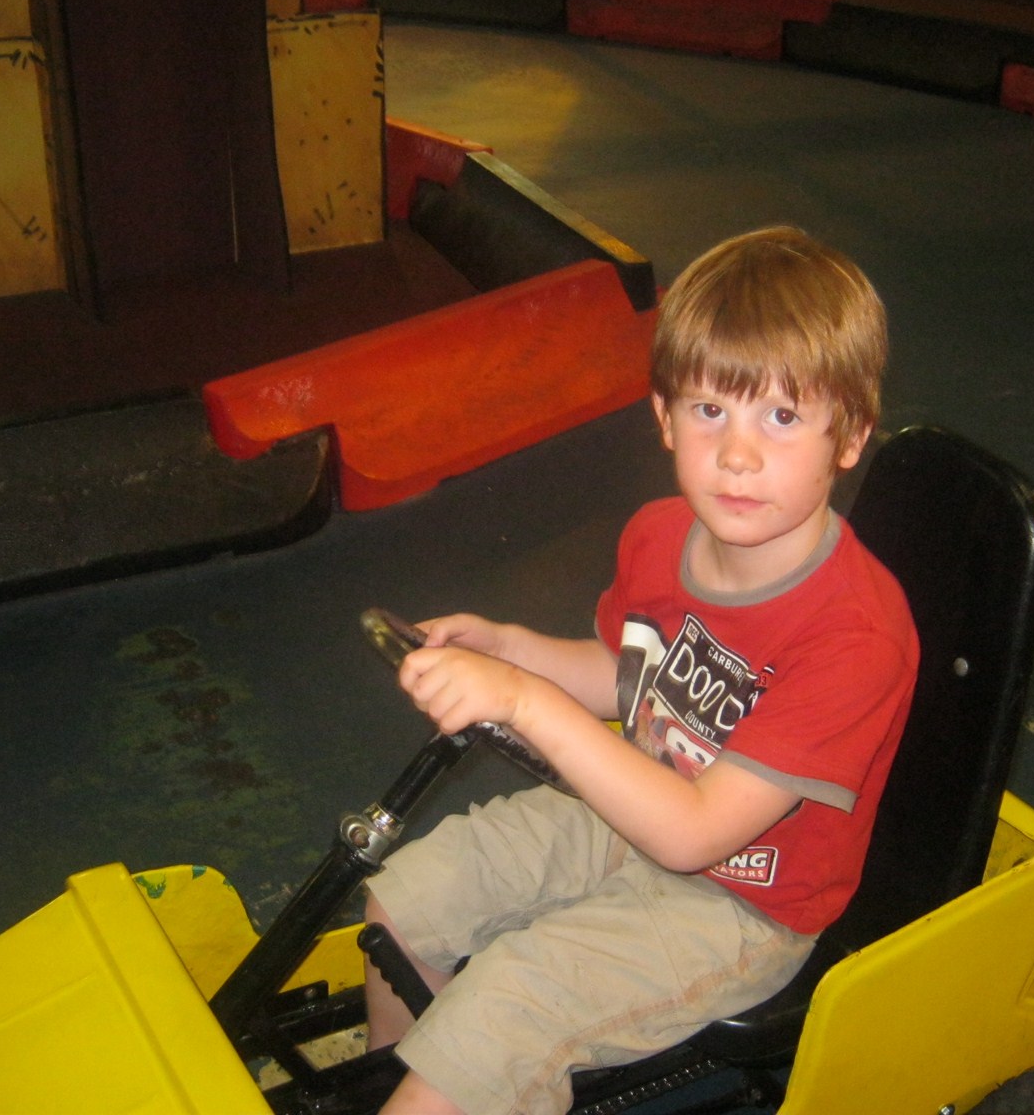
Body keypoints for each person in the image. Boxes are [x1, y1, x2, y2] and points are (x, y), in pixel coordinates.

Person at [364, 226, 920, 1115]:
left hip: (740, 906)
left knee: (509, 1004)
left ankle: (452, 1083)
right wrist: (512, 650)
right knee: (410, 899)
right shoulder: (659, 537)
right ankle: (393, 1084)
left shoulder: (856, 636)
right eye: (710, 410)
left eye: (782, 417)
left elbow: (694, 836)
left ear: (848, 436)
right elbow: (623, 675)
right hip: (628, 809)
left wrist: (526, 701)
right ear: (664, 417)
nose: (738, 454)